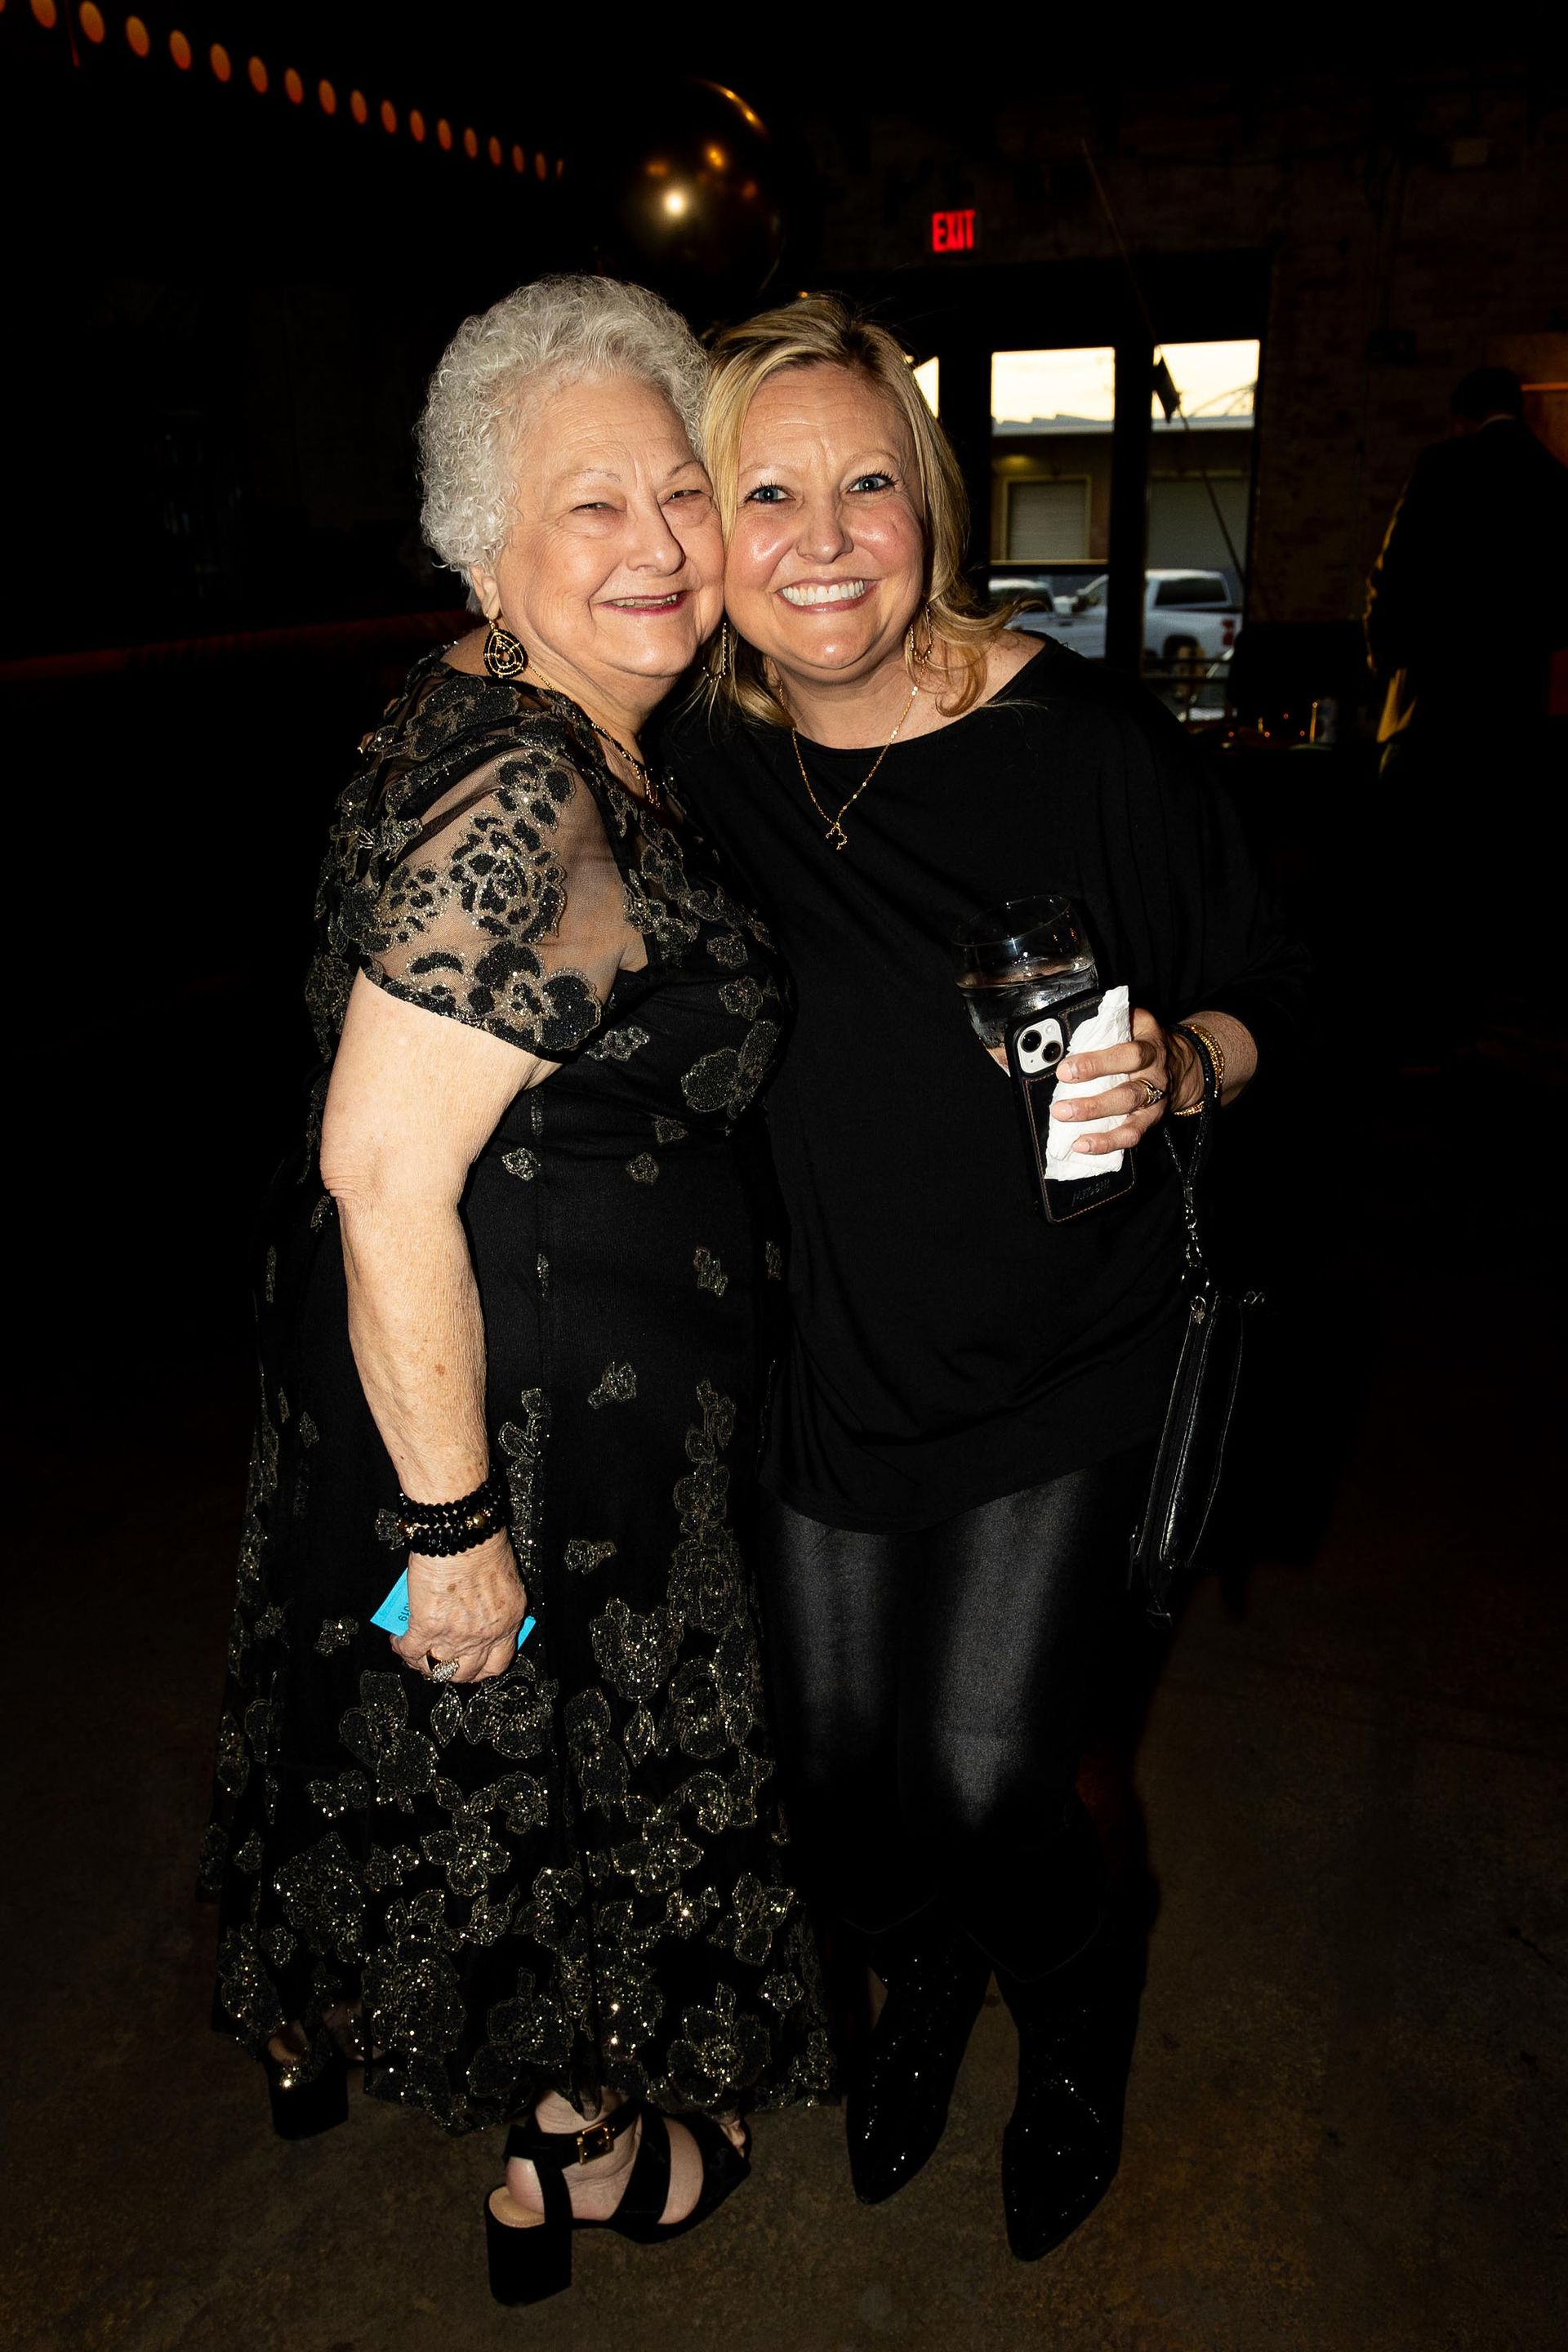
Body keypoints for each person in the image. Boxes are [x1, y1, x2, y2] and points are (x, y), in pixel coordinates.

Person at [201, 275, 830, 2311]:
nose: (657, 547)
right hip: (537, 1428)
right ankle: (577, 2149)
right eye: (590, 509)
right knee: (556, 1788)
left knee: (521, 1788)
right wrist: (457, 1528)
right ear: (485, 542)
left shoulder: (499, 710)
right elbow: (382, 1164)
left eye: (677, 492)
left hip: (515, 1380)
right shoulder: (528, 785)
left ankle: (522, 2136)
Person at [664, 296, 1307, 2261]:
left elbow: (1267, 992)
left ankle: (1073, 2021)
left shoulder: (1080, 739)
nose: (828, 535)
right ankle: (919, 1970)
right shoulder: (695, 756)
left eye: (870, 481)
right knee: (848, 1804)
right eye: (768, 491)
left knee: (990, 1769)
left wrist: (1188, 1059)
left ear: (930, 501)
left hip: (1059, 1356)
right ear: (708, 525)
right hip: (820, 1368)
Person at [1365, 366, 1568, 1053]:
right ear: (1520, 412)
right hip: (1513, 709)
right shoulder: (1554, 479)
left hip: (1435, 705)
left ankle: (1414, 1034)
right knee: (1492, 870)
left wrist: (1383, 670)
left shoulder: (1444, 465)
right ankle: (1480, 1030)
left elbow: (1393, 575)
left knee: (1418, 875)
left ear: (1460, 417)